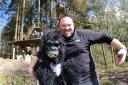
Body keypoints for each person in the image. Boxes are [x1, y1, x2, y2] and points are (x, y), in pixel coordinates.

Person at [28, 15, 127, 85]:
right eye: (63, 26)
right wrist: (30, 68)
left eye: (69, 25)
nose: (67, 28)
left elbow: (106, 38)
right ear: (59, 26)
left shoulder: (84, 34)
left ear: (73, 25)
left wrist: (122, 48)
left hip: (88, 80)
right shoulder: (56, 38)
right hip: (68, 81)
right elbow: (40, 53)